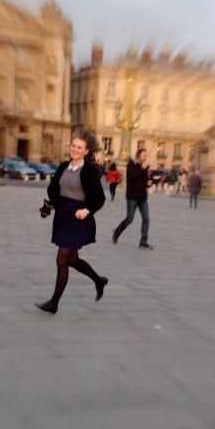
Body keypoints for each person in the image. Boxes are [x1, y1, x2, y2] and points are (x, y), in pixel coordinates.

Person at [35, 129, 107, 314]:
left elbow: (100, 198)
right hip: (63, 215)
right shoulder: (63, 166)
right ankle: (99, 281)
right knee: (72, 260)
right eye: (73, 145)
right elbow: (55, 190)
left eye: (79, 147)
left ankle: (54, 303)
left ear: (86, 151)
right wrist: (51, 205)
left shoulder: (89, 171)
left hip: (79, 217)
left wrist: (87, 210)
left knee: (61, 260)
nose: (75, 149)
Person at [112, 148, 154, 249]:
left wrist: (148, 183)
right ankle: (117, 232)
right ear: (138, 156)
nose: (145, 157)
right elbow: (131, 178)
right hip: (132, 197)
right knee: (129, 219)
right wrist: (142, 169)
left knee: (146, 219)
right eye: (143, 155)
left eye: (146, 155)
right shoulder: (131, 164)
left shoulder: (144, 168)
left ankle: (143, 242)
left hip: (143, 198)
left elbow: (144, 181)